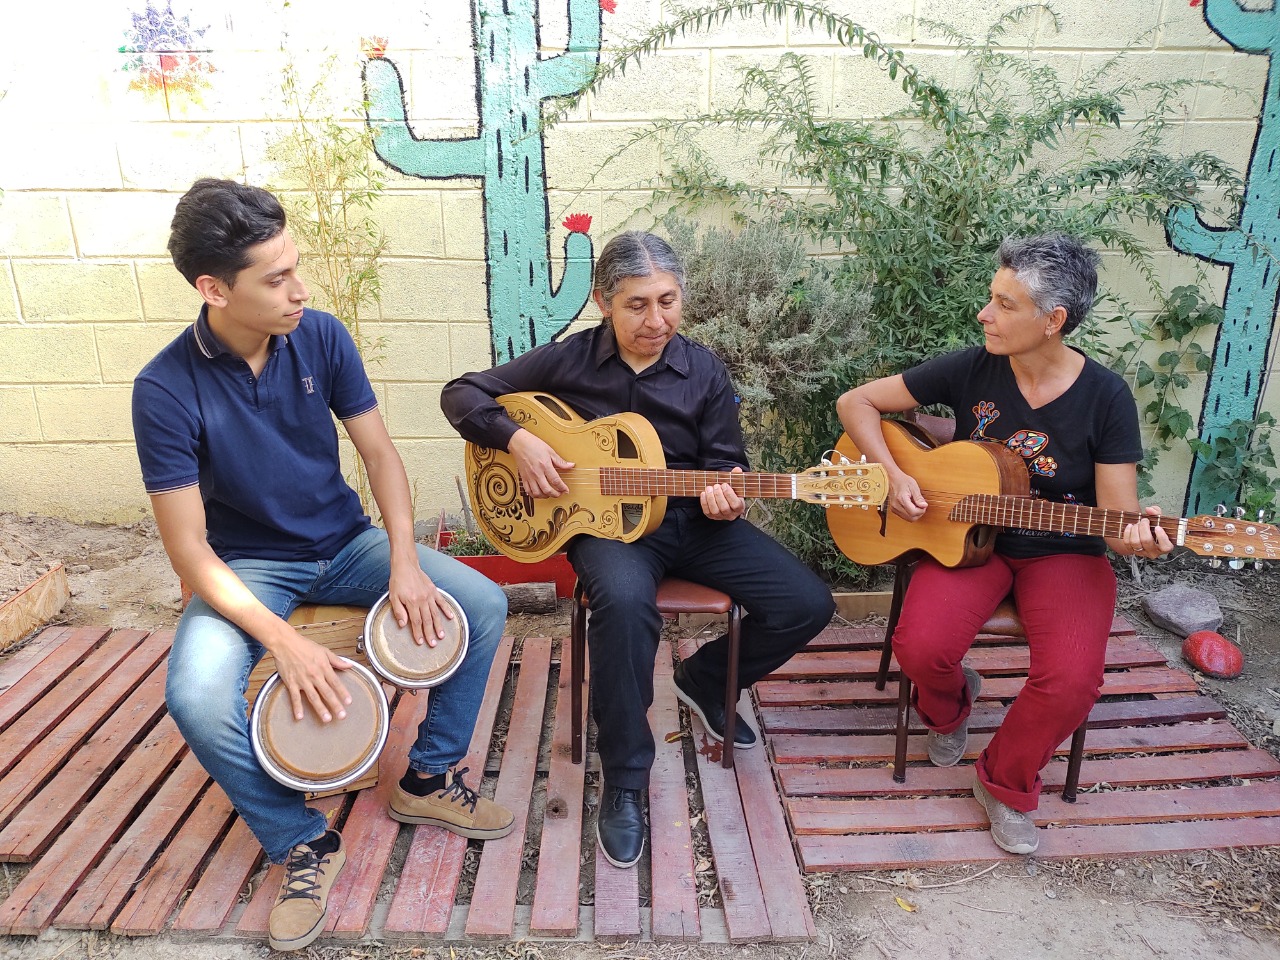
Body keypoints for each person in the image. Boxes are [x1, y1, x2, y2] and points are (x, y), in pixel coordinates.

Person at [131, 178, 514, 952]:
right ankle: (299, 839)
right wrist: (281, 638)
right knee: (197, 696)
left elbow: (379, 453)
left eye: (295, 267)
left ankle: (427, 779)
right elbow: (189, 550)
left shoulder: (322, 336)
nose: (299, 289)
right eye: (275, 279)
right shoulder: (164, 389)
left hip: (348, 544)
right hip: (248, 569)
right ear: (213, 288)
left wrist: (406, 561)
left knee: (480, 604)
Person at [441, 231, 834, 868]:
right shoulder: (567, 361)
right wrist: (518, 441)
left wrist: (726, 493)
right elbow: (461, 393)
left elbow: (726, 461)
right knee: (623, 607)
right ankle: (623, 779)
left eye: (668, 302)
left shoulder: (702, 369)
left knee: (807, 602)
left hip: (696, 524)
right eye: (638, 305)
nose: (656, 321)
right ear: (603, 300)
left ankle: (705, 681)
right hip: (606, 529)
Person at [836, 233, 1174, 855]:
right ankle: (954, 701)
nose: (984, 314)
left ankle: (1004, 781)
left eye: (1004, 304)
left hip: (1066, 554)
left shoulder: (1106, 397)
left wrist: (1140, 540)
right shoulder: (974, 366)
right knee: (921, 647)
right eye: (991, 298)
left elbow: (1120, 518)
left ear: (1054, 321)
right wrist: (892, 473)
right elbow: (856, 401)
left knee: (1072, 680)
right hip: (970, 542)